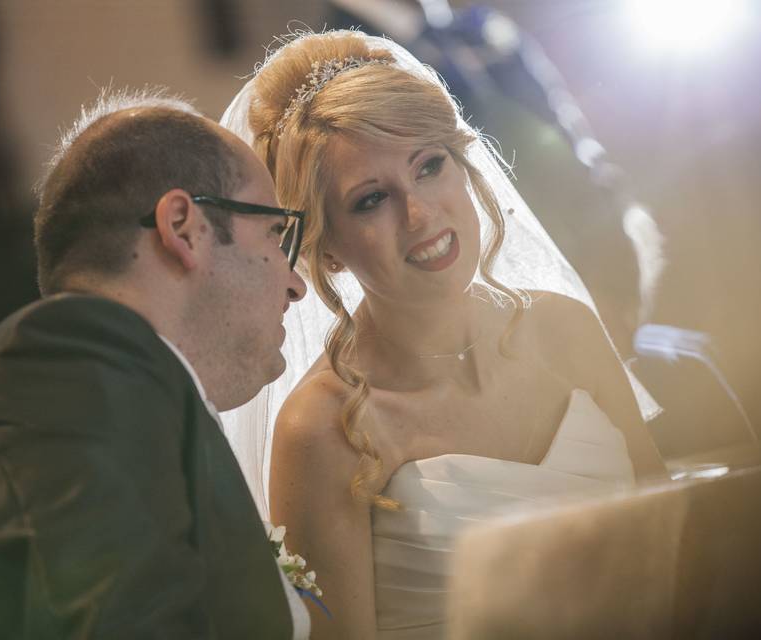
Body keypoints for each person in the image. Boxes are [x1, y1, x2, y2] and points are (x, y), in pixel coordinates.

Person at [219, 31, 667, 639]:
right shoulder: (323, 430)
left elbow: (677, 549)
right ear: (327, 252)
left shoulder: (566, 329)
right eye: (371, 199)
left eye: (430, 166)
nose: (420, 214)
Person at [0, 89, 310, 639]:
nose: (295, 284)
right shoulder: (77, 355)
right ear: (184, 227)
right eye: (276, 233)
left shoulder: (105, 378)